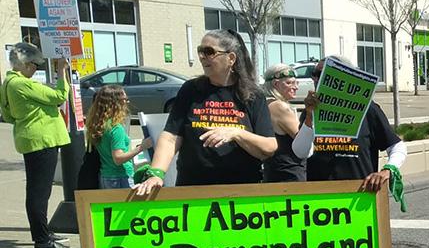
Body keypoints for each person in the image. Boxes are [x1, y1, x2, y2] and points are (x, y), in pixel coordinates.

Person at [133, 29, 277, 194]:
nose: (202, 57)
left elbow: (269, 147)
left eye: (209, 52)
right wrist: (156, 173)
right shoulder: (190, 89)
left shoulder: (253, 95)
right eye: (200, 51)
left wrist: (236, 133)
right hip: (193, 189)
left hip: (241, 192)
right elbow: (171, 137)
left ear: (231, 58)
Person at [295, 55, 407, 196]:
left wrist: (388, 170)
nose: (316, 79)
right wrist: (309, 118)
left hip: (360, 196)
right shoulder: (311, 109)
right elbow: (301, 152)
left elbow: (397, 146)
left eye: (322, 74)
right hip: (321, 199)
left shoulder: (368, 110)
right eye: (315, 74)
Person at [0, 43, 72, 248]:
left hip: (31, 139)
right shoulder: (22, 84)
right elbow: (59, 96)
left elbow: (8, 115)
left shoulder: (7, 83)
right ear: (23, 64)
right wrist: (61, 71)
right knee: (39, 192)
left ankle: (44, 232)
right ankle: (41, 239)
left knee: (38, 189)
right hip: (42, 139)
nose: (35, 69)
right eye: (33, 65)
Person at [85, 85, 151, 189]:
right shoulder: (116, 129)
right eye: (125, 99)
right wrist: (142, 147)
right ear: (116, 103)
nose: (127, 102)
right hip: (120, 177)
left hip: (105, 175)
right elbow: (118, 158)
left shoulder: (99, 124)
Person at [261, 64, 305, 182]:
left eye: (296, 83)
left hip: (274, 172)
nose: (295, 87)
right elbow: (304, 142)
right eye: (289, 83)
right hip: (290, 173)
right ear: (276, 84)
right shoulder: (280, 107)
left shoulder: (265, 104)